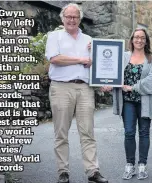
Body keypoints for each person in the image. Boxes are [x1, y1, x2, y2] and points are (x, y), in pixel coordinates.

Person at [45, 3, 108, 183]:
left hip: (85, 88)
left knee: (87, 131)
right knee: (61, 132)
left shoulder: (88, 39)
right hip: (61, 87)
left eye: (75, 17)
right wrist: (81, 59)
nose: (72, 20)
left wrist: (101, 78)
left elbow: (96, 63)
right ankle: (63, 172)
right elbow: (55, 59)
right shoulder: (54, 36)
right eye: (68, 17)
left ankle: (93, 171)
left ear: (79, 19)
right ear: (62, 18)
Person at [101, 28, 152, 180]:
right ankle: (130, 165)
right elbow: (113, 73)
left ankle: (142, 166)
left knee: (144, 132)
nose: (139, 40)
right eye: (136, 37)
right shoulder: (123, 56)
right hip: (128, 102)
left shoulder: (151, 58)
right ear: (132, 40)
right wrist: (107, 83)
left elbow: (151, 83)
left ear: (146, 41)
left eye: (142, 38)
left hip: (145, 102)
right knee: (129, 133)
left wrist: (133, 87)